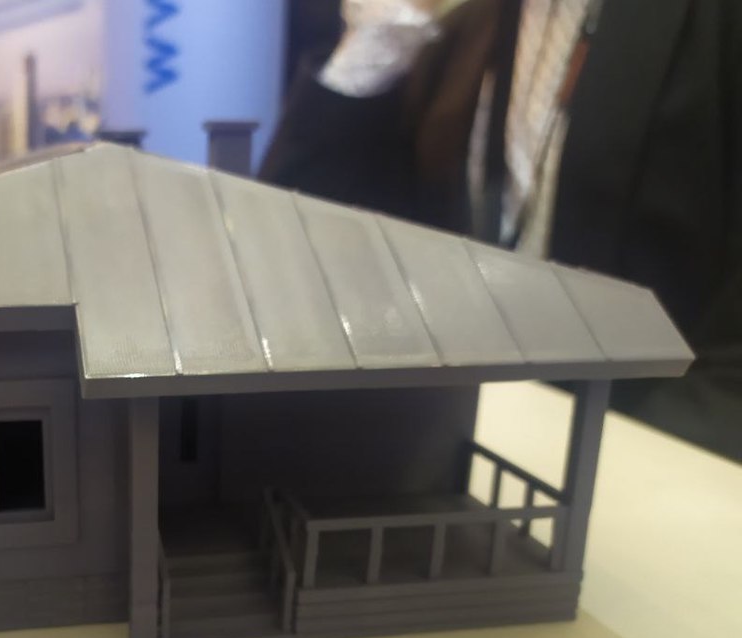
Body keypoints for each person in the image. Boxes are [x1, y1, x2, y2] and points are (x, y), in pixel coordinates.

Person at [261, 0, 742, 462]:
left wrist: (632, 468)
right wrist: (382, 37)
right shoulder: (465, 35)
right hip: (453, 449)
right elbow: (296, 248)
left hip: (651, 464)